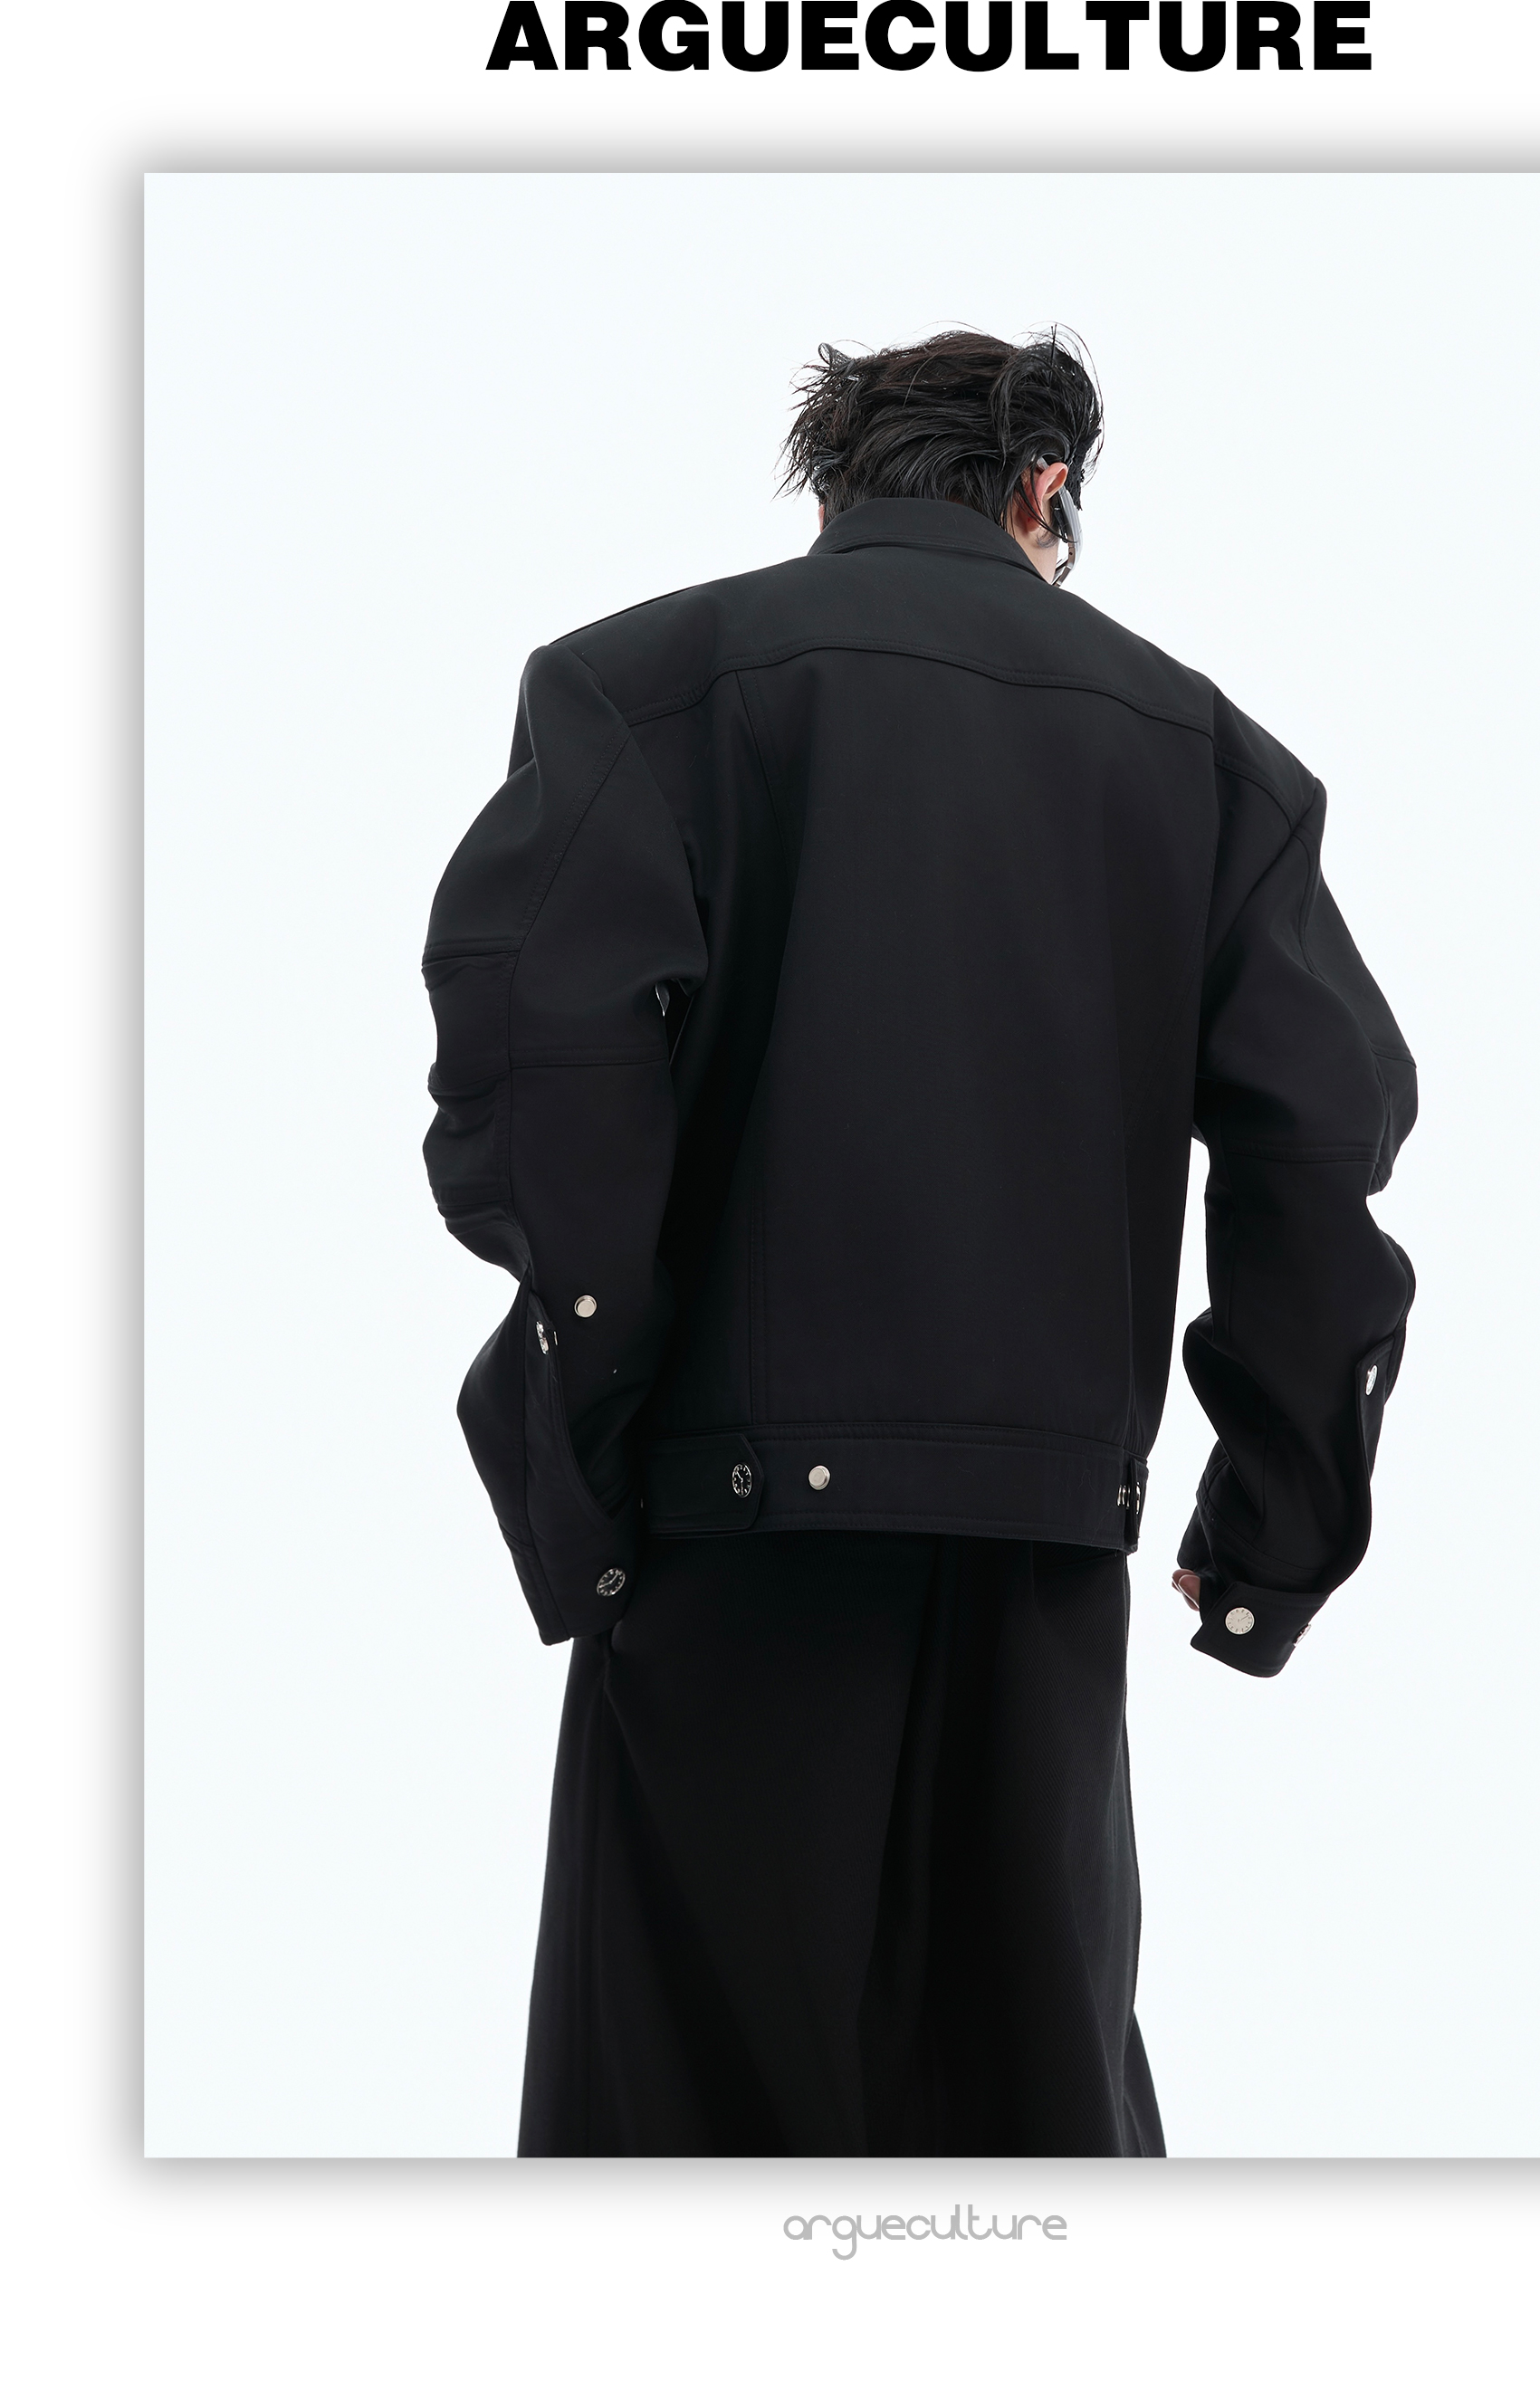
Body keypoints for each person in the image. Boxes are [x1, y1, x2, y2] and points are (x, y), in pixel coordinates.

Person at [420, 327, 1417, 2157]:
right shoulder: (1208, 756)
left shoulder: (636, 690)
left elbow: (532, 1065)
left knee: (675, 2149)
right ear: (1044, 487)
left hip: (717, 1542)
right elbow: (1318, 1146)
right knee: (1030, 2131)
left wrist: (594, 1433)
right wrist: (1269, 1531)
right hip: (1042, 1560)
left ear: (834, 488)